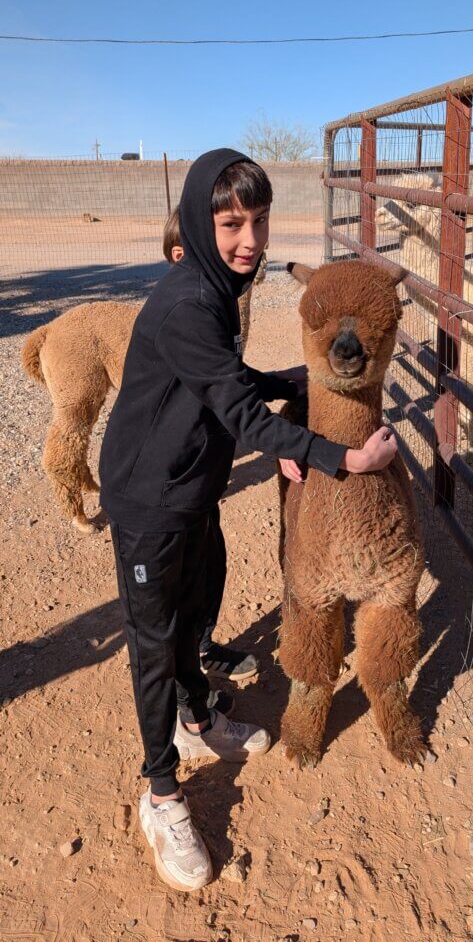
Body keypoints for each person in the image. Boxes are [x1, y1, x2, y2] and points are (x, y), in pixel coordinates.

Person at [99, 148, 398, 892]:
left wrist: (290, 379)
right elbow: (238, 411)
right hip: (149, 498)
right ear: (200, 222)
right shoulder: (188, 302)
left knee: (196, 609)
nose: (250, 241)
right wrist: (342, 458)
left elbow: (224, 381)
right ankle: (161, 792)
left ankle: (198, 721)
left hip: (192, 486)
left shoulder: (215, 290)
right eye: (232, 224)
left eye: (259, 222)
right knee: (155, 640)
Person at [163, 206, 259, 685]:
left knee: (211, 561)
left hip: (203, 473)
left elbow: (231, 380)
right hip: (172, 480)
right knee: (182, 579)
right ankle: (187, 696)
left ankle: (202, 646)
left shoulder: (222, 308)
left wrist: (279, 383)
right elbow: (235, 404)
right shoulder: (191, 313)